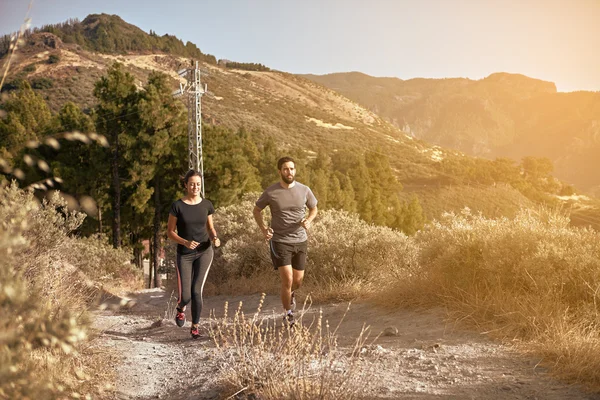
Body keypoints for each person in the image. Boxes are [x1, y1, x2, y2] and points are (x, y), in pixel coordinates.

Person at [253, 157, 318, 327]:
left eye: (292, 169)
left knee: (298, 281)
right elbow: (257, 210)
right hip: (280, 241)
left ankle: (291, 295)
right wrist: (264, 228)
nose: (289, 172)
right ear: (280, 171)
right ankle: (288, 313)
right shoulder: (271, 192)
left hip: (300, 240)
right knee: (287, 280)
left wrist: (309, 220)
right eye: (286, 169)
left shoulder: (304, 190)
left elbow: (314, 208)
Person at [167, 170, 220, 339]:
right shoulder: (177, 206)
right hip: (184, 254)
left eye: (198, 184)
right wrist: (185, 242)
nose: (195, 187)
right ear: (185, 185)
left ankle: (195, 326)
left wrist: (215, 237)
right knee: (186, 295)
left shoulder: (207, 205)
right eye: (191, 184)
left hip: (204, 252)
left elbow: (210, 228)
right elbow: (170, 232)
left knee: (197, 292)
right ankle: (181, 308)